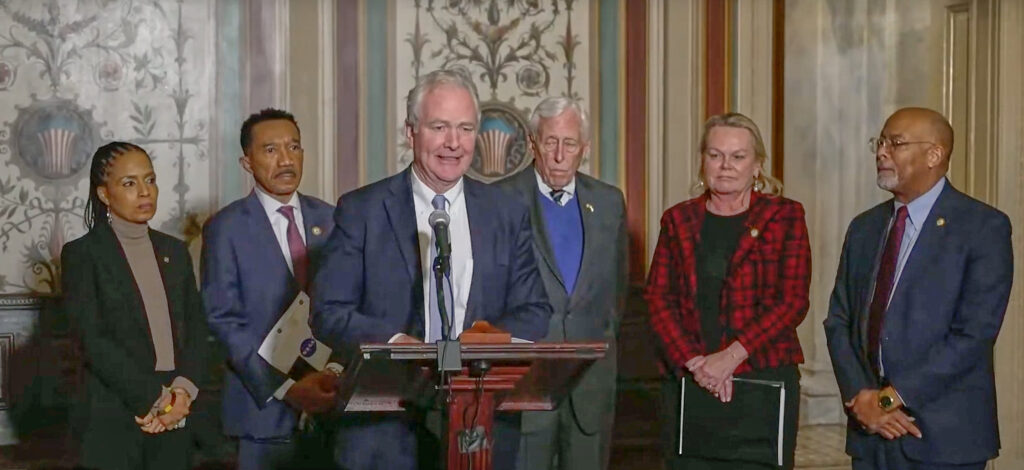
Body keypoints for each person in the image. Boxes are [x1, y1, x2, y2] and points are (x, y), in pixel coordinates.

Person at [311, 68, 552, 470]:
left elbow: (535, 311)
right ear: (411, 132)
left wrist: (488, 342)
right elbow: (329, 311)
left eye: (465, 128)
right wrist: (394, 344)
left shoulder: (506, 212)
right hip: (383, 430)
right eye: (439, 127)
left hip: (481, 425)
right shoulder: (363, 210)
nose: (454, 143)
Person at [824, 107, 1012, 470]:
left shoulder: (982, 227)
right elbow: (839, 320)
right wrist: (861, 398)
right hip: (870, 438)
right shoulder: (864, 228)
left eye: (895, 143)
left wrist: (888, 401)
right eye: (879, 143)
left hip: (943, 438)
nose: (881, 152)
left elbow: (974, 334)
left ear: (934, 155)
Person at [644, 113, 810, 469]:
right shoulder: (678, 220)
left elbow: (792, 301)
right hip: (692, 379)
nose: (725, 166)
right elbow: (658, 300)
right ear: (703, 161)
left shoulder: (785, 217)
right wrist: (698, 364)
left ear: (757, 165)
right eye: (715, 155)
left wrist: (730, 358)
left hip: (763, 379)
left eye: (738, 156)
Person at [201, 108, 337, 469]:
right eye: (271, 150)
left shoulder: (333, 219)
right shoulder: (225, 229)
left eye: (294, 147)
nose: (286, 159)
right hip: (261, 411)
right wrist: (288, 389)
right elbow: (223, 319)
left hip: (332, 406)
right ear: (247, 162)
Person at [496, 97, 627, 470]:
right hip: (526, 380)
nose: (558, 155)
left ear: (583, 149)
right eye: (550, 142)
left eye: (569, 144)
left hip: (591, 381)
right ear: (533, 142)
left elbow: (616, 294)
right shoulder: (500, 200)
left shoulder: (609, 202)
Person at [61, 142, 207, 470]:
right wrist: (156, 400)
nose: (145, 192)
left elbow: (196, 327)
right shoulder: (83, 255)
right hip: (114, 414)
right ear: (103, 193)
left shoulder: (175, 251)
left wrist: (181, 394)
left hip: (177, 409)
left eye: (150, 180)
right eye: (129, 183)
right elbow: (93, 340)